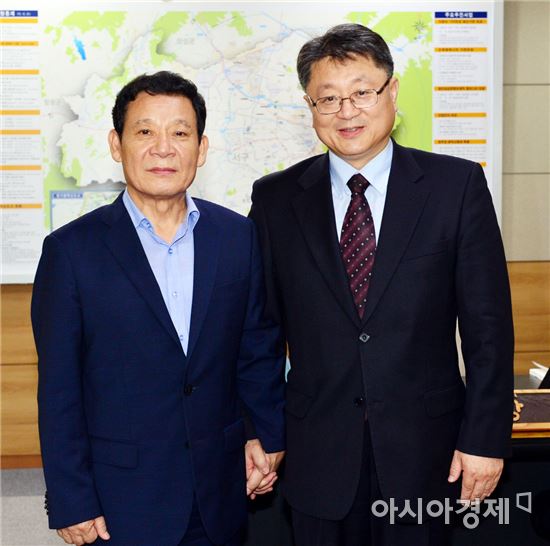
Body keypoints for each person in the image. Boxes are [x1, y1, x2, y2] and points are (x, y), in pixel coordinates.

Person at [249, 24, 514, 545]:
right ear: (310, 107)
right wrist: (261, 430)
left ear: (392, 91)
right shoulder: (276, 199)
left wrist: (485, 439)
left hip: (428, 454)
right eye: (328, 98)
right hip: (316, 454)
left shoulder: (455, 186)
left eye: (362, 93)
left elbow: (488, 329)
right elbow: (260, 332)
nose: (346, 112)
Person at [32, 71, 285, 546]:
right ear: (116, 144)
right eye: (145, 131)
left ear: (201, 149)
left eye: (180, 133)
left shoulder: (237, 237)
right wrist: (71, 499)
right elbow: (59, 389)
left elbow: (257, 351)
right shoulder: (71, 252)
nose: (163, 148)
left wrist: (264, 434)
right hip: (120, 504)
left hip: (222, 491)